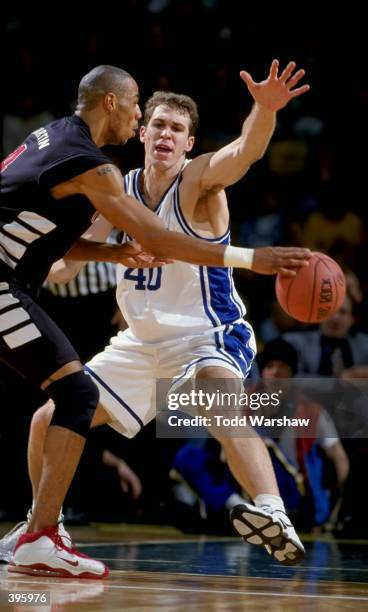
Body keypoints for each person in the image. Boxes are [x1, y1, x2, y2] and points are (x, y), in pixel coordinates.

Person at [1, 59, 311, 568]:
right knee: (47, 418)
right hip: (140, 343)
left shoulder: (199, 180)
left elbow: (246, 151)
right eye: (159, 124)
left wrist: (264, 108)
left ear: (190, 143)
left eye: (178, 128)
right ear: (143, 132)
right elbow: (67, 260)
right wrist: (44, 266)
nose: (167, 134)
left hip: (206, 334)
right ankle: (41, 528)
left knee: (218, 396)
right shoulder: (111, 186)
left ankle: (273, 512)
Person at [171, 338, 349, 533]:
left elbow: (339, 457)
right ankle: (238, 507)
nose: (275, 373)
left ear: (292, 374)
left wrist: (335, 509)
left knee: (264, 446)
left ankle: (255, 513)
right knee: (189, 456)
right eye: (270, 366)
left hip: (288, 490)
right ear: (263, 373)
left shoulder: (313, 412)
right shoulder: (240, 403)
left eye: (282, 367)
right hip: (243, 484)